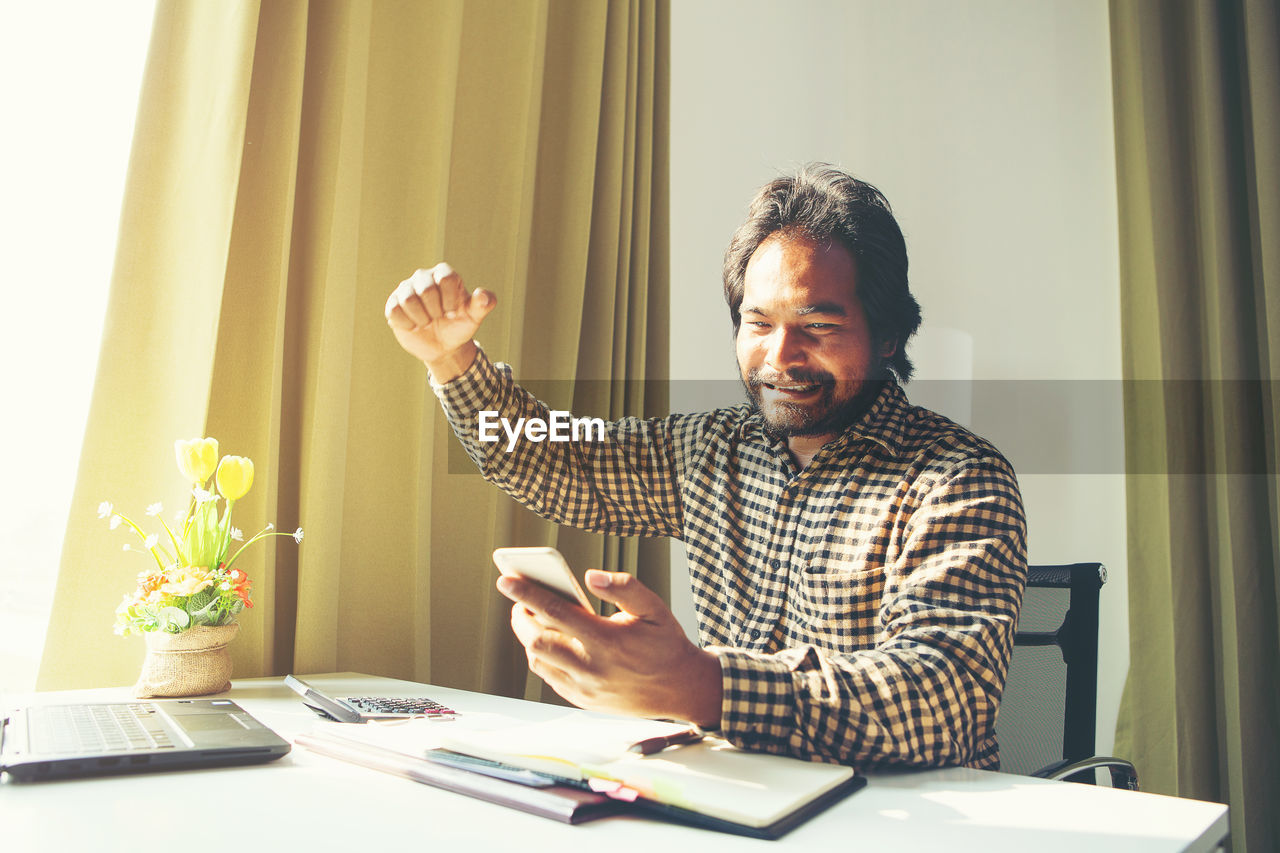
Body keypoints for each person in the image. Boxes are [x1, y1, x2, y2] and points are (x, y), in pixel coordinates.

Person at [384, 164, 1027, 770]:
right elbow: (560, 462)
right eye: (758, 322)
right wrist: (453, 360)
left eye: (818, 326)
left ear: (886, 335)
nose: (782, 355)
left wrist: (702, 685)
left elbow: (943, 699)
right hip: (740, 800)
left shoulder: (957, 479)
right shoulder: (708, 447)